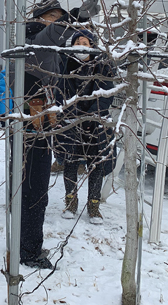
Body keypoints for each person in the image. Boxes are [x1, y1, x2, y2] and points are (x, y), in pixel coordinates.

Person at [16, 0, 99, 269]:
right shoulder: (37, 39)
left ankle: (23, 244)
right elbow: (55, 33)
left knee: (29, 187)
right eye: (55, 17)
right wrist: (77, 16)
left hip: (38, 121)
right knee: (35, 189)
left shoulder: (41, 44)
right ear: (41, 19)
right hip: (33, 124)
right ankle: (28, 251)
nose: (59, 23)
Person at [57, 29, 115, 224]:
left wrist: (92, 113)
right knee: (70, 162)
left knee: (96, 165)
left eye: (85, 42)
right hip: (71, 121)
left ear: (92, 46)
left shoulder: (103, 65)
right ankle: (70, 203)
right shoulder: (65, 64)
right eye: (77, 42)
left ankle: (94, 206)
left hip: (96, 122)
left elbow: (108, 92)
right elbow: (59, 92)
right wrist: (71, 113)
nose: (81, 46)